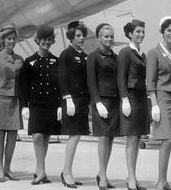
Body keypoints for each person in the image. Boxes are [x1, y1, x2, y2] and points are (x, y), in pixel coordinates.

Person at [20, 24, 61, 185]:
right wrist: (24, 105)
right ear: (38, 40)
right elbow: (23, 85)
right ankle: (42, 170)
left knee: (46, 137)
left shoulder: (55, 61)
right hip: (36, 104)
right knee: (37, 136)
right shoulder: (29, 61)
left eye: (50, 39)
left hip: (51, 104)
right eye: (44, 39)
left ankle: (39, 171)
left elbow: (58, 85)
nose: (46, 42)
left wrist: (59, 105)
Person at [146, 16, 171, 190]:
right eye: (169, 30)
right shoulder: (154, 52)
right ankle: (160, 181)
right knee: (166, 139)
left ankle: (164, 180)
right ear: (162, 31)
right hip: (162, 98)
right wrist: (154, 103)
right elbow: (150, 80)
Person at [0, 23, 24, 182]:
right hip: (0, 99)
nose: (11, 41)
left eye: (13, 39)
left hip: (15, 99)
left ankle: (8, 167)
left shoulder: (19, 59)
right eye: (8, 39)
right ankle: (0, 168)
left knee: (13, 135)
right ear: (3, 40)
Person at [117, 19, 149, 190]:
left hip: (141, 98)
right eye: (138, 32)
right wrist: (124, 100)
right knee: (131, 139)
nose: (141, 35)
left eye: (143, 32)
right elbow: (120, 77)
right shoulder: (125, 52)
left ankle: (134, 177)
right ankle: (130, 178)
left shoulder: (142, 55)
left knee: (137, 139)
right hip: (130, 97)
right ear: (130, 34)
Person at [87, 23, 120, 190]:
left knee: (111, 138)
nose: (109, 39)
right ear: (99, 37)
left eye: (111, 36)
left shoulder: (115, 57)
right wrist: (97, 102)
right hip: (101, 101)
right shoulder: (93, 56)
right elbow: (91, 82)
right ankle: (102, 174)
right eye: (106, 36)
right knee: (103, 137)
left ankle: (103, 173)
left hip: (114, 101)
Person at [58, 20, 90, 188]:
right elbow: (62, 78)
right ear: (71, 37)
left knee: (77, 136)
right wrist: (67, 98)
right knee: (74, 136)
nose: (81, 38)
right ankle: (66, 172)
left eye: (83, 35)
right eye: (78, 36)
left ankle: (68, 171)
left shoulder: (84, 56)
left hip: (82, 100)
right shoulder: (66, 54)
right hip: (72, 100)